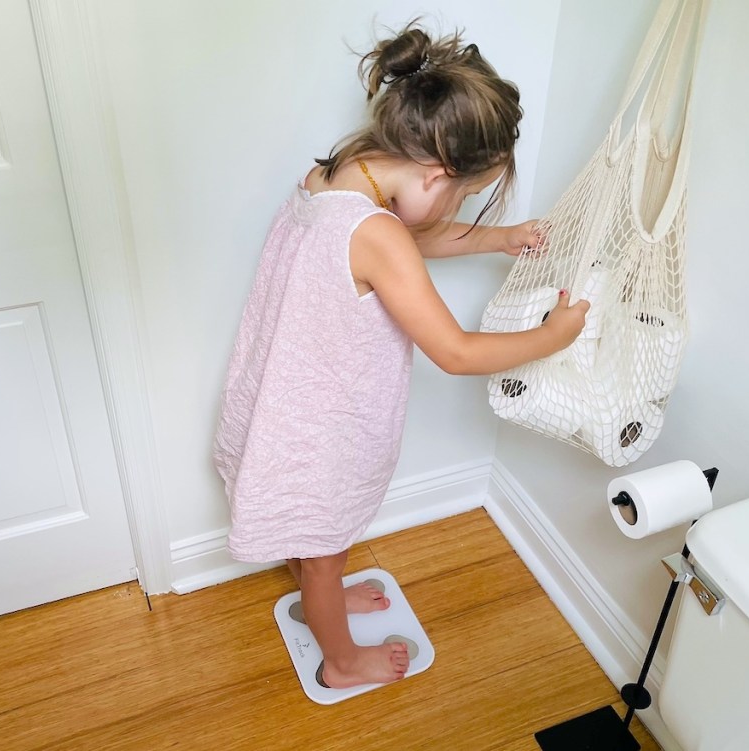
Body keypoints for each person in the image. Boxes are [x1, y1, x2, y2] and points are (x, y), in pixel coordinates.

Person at [214, 22, 589, 690]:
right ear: (438, 173)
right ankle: (339, 653)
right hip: (324, 423)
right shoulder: (380, 232)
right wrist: (552, 337)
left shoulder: (341, 172)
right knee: (326, 548)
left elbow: (406, 240)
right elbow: (456, 349)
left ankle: (318, 594)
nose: (454, 208)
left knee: (315, 535)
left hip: (286, 400)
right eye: (463, 196)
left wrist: (497, 237)